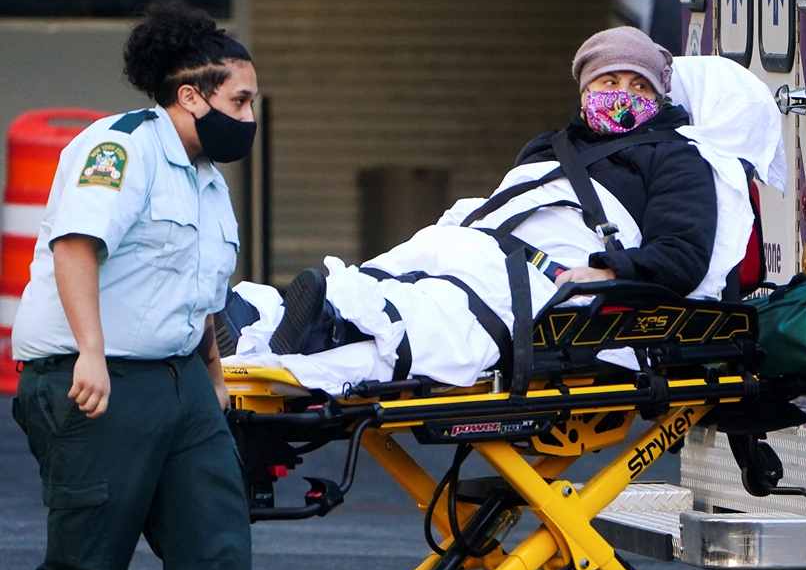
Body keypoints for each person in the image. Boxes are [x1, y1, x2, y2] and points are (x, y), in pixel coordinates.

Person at [219, 28, 772, 393]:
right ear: (584, 91)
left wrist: (608, 271)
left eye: (638, 85)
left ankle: (339, 328)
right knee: (400, 272)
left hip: (552, 265)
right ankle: (258, 317)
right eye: (609, 81)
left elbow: (682, 256)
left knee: (458, 309)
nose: (623, 93)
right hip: (478, 238)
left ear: (660, 98)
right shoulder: (550, 147)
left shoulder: (676, 159)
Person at [1, 1, 257, 570]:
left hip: (181, 387)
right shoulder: (116, 149)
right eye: (240, 99)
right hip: (97, 385)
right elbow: (77, 246)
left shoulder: (208, 180)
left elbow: (194, 287)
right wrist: (91, 352)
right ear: (190, 95)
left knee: (219, 557)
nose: (248, 114)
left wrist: (212, 374)